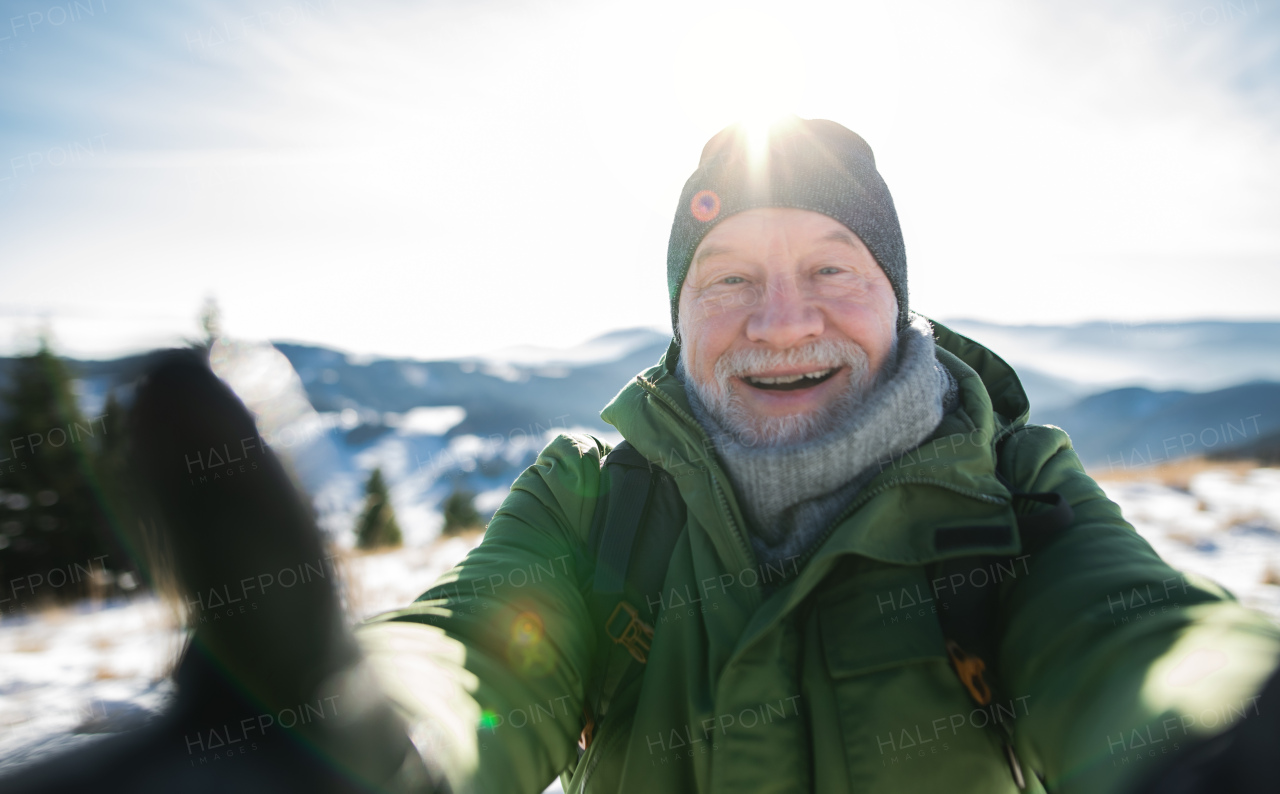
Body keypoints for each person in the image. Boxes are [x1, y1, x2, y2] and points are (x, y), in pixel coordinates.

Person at [3, 117, 1276, 794]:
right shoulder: (591, 497)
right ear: (675, 316)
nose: (781, 322)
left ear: (898, 299)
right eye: (727, 281)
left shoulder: (1017, 491)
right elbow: (466, 650)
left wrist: (1222, 725)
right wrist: (353, 741)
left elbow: (1134, 634)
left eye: (831, 268)